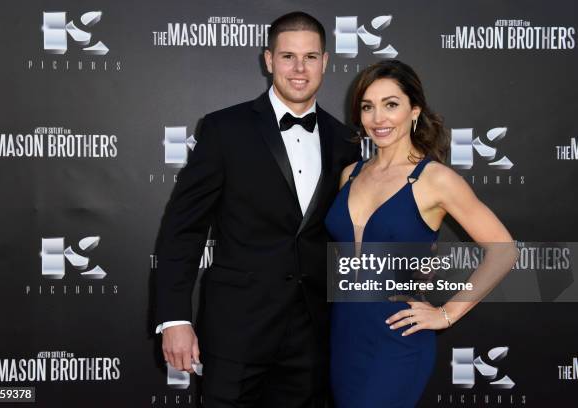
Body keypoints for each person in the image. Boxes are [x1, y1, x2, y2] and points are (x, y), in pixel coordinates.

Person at [155, 11, 361, 408]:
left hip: (313, 337)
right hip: (236, 331)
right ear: (268, 60)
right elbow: (183, 229)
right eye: (288, 57)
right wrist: (175, 318)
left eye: (310, 57)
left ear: (326, 62)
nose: (299, 69)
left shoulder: (345, 139)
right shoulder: (223, 129)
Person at [324, 60, 517, 407]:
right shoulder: (350, 174)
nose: (378, 118)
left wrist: (446, 314)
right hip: (344, 337)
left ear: (414, 110)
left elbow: (504, 250)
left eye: (391, 104)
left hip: (397, 340)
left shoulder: (435, 179)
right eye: (368, 107)